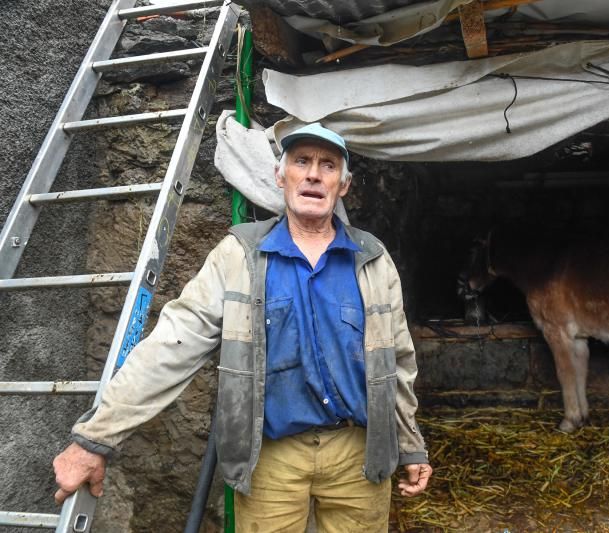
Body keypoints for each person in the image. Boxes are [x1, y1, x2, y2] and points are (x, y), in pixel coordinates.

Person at [53, 123, 432, 531]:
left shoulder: (372, 259)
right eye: (301, 161)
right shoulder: (240, 255)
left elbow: (399, 363)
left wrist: (410, 447)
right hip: (270, 458)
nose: (313, 175)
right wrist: (96, 438)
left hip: (358, 456)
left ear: (343, 185)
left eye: (328, 166)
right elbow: (174, 344)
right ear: (279, 176)